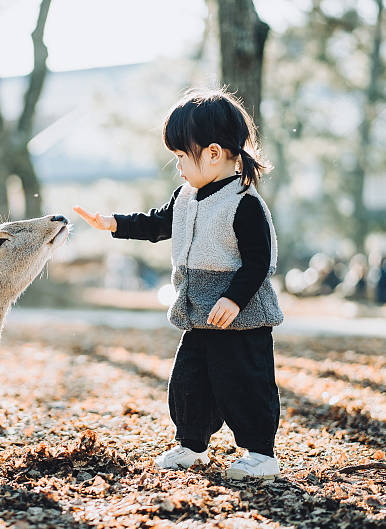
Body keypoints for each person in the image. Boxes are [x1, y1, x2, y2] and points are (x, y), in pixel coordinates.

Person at [73, 88, 284, 481]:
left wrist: (235, 300)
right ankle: (192, 444)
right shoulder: (186, 196)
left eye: (182, 157)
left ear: (215, 153)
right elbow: (156, 224)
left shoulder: (244, 203)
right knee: (189, 381)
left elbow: (260, 262)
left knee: (244, 384)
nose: (179, 167)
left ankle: (260, 452)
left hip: (240, 316)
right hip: (198, 314)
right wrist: (113, 223)